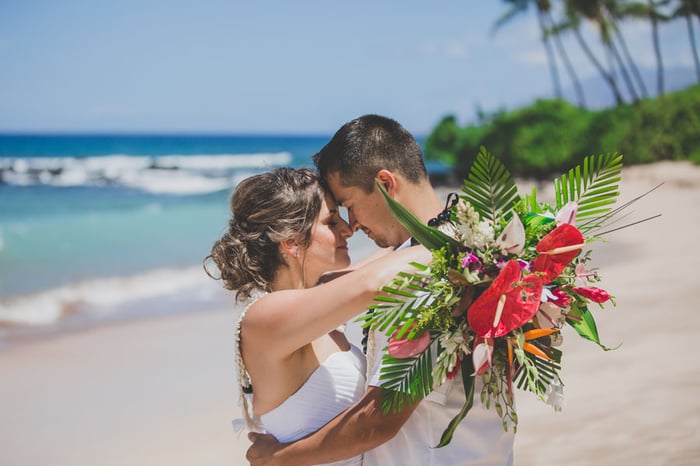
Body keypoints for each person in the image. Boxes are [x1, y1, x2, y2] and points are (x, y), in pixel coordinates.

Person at [246, 115, 515, 465]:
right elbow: (349, 282)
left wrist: (278, 456)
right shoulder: (472, 253)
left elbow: (379, 420)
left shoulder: (440, 273)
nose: (352, 226)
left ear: (386, 183)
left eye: (350, 205)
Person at [204, 167, 430, 466]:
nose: (348, 230)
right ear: (291, 242)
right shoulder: (264, 317)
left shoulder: (316, 306)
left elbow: (391, 258)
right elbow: (371, 283)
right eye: (331, 221)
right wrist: (452, 243)